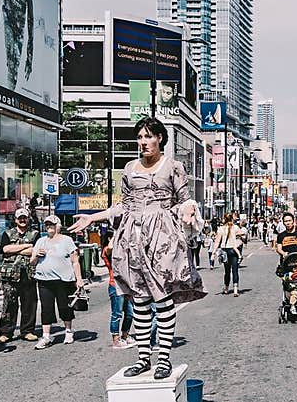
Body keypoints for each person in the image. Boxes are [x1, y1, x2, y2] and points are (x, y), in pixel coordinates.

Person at [69, 117, 204, 380]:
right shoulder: (130, 168)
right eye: (140, 137)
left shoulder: (173, 167)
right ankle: (143, 358)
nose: (143, 142)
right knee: (140, 301)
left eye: (148, 137)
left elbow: (186, 200)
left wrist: (188, 213)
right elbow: (124, 206)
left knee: (163, 300)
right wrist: (92, 217)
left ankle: (163, 359)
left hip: (162, 238)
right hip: (132, 240)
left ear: (160, 138)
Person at [29, 215, 84, 349]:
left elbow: (75, 261)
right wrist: (37, 255)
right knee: (46, 308)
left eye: (52, 225)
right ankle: (46, 336)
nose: (49, 227)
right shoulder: (41, 241)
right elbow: (32, 261)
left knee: (64, 306)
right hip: (44, 279)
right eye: (47, 225)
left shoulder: (67, 241)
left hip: (63, 279)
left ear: (58, 226)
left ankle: (68, 331)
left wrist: (79, 279)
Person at [0, 208, 40, 344]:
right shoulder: (7, 234)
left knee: (29, 304)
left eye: (24, 218)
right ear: (15, 220)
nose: (22, 220)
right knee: (9, 304)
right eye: (19, 218)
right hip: (10, 276)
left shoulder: (35, 234)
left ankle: (27, 331)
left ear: (28, 219)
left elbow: (35, 251)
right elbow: (5, 249)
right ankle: (6, 332)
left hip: (28, 274)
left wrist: (15, 249)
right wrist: (26, 246)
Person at [102, 231, 135, 349]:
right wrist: (117, 234)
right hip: (115, 286)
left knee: (130, 313)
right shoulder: (107, 251)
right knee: (117, 313)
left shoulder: (122, 252)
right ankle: (115, 339)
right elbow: (110, 248)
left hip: (126, 286)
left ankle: (125, 335)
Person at [214, 212, 247, 296]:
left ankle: (226, 288)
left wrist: (213, 252)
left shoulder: (221, 229)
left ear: (224, 219)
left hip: (225, 250)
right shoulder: (235, 227)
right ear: (231, 219)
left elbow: (217, 241)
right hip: (233, 250)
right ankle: (235, 290)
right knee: (235, 270)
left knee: (227, 270)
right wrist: (237, 236)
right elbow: (243, 233)